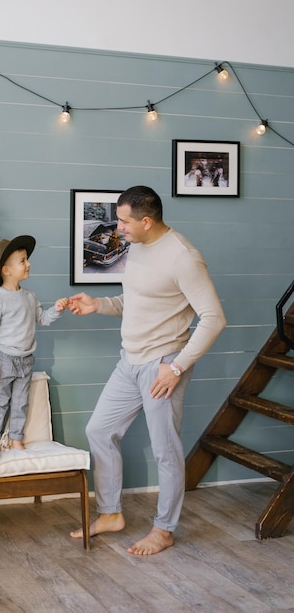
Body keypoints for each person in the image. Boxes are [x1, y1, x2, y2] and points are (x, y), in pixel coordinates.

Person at [69, 186, 226, 555]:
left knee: (165, 451)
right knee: (99, 430)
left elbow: (214, 318)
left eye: (124, 220)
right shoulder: (137, 247)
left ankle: (164, 529)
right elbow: (135, 300)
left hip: (163, 364)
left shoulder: (184, 257)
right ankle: (110, 513)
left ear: (146, 221)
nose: (118, 226)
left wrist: (177, 367)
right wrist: (99, 305)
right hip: (130, 360)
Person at [0, 235, 68, 451]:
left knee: (21, 403)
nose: (28, 264)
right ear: (6, 270)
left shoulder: (29, 296)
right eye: (22, 261)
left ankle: (16, 439)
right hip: (3, 360)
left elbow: (43, 319)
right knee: (0, 402)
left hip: (26, 360)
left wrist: (57, 309)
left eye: (27, 259)